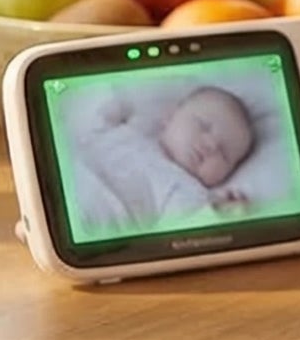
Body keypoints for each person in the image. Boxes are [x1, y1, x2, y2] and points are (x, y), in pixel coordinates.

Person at [70, 81, 260, 231]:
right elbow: (89, 121)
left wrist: (217, 212)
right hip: (72, 178)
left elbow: (184, 227)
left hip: (99, 214)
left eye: (224, 153)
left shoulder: (187, 190)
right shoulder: (133, 130)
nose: (210, 145)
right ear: (170, 116)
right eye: (204, 126)